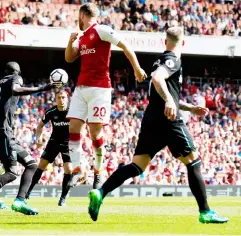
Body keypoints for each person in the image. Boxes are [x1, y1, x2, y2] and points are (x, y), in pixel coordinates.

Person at [87, 27, 229, 224]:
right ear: (183, 43)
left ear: (165, 41)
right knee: (193, 161)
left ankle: (101, 192)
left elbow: (161, 91)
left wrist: (189, 107)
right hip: (168, 119)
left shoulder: (158, 61)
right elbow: (157, 79)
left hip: (151, 118)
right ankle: (205, 212)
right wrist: (171, 102)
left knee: (137, 165)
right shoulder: (173, 60)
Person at [64, 2, 147, 189]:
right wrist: (70, 42)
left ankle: (98, 172)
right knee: (73, 128)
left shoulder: (101, 30)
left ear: (83, 15)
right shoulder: (81, 37)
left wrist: (137, 67)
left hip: (100, 88)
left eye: (79, 16)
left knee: (94, 131)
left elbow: (125, 45)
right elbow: (69, 58)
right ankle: (77, 170)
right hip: (81, 87)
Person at [0, 62, 59, 216]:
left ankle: (20, 201)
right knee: (13, 172)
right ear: (17, 72)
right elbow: (16, 89)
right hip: (3, 133)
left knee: (31, 165)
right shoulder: (15, 78)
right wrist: (43, 88)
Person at [26, 90, 72, 206]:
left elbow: (82, 123)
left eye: (63, 97)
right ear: (56, 99)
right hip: (54, 142)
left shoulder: (73, 112)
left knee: (69, 170)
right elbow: (40, 125)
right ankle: (28, 191)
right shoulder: (51, 112)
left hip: (68, 144)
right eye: (59, 98)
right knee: (41, 165)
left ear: (67, 98)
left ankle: (62, 198)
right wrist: (38, 138)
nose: (61, 100)